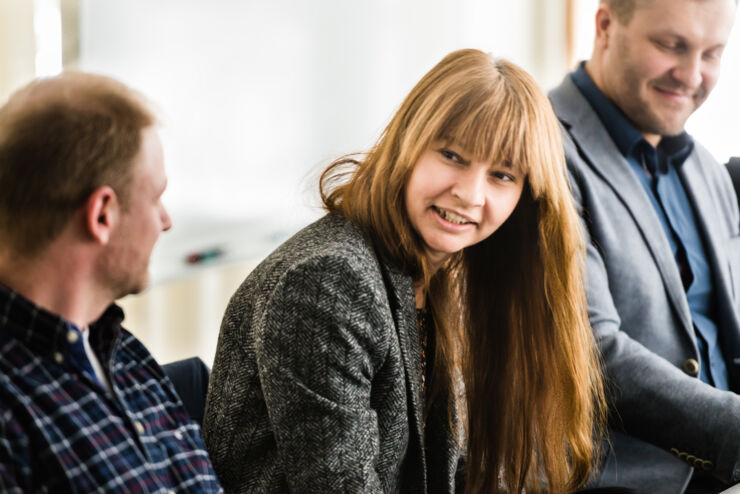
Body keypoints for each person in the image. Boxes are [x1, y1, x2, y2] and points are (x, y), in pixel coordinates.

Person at [204, 48, 605, 493]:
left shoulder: (446, 272)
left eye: (503, 175)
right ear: (407, 144)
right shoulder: (329, 282)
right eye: (452, 155)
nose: (470, 194)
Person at [548, 0, 740, 492]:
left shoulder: (704, 168)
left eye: (712, 54)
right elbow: (593, 352)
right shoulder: (541, 148)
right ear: (606, 25)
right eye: (671, 46)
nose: (692, 75)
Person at [0, 72, 222, 492]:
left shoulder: (126, 355)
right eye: (155, 197)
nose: (166, 221)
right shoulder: (11, 409)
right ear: (102, 214)